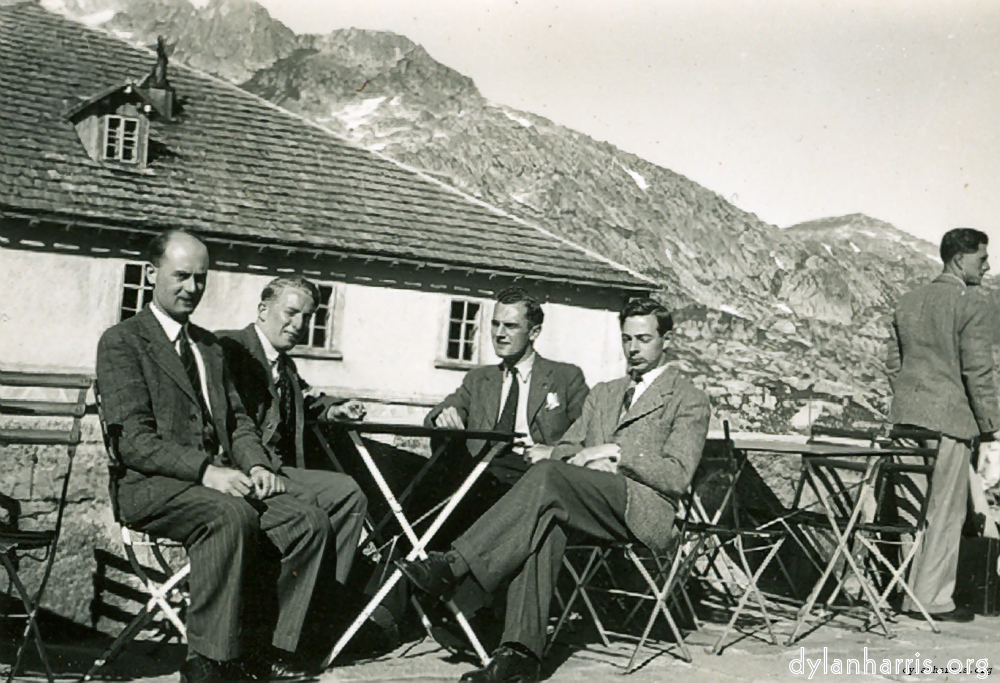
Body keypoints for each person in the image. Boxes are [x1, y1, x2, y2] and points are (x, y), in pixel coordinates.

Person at [96, 230, 367, 683]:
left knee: (307, 520)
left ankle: (266, 650)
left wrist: (257, 464)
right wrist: (206, 471)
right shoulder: (123, 341)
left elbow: (239, 422)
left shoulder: (208, 347)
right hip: (149, 485)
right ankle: (208, 661)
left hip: (212, 480)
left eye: (200, 279)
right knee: (230, 514)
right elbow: (133, 443)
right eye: (181, 276)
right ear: (151, 274)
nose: (191, 289)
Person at [398, 298, 711, 682]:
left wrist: (616, 452)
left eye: (644, 339)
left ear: (667, 339)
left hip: (643, 509)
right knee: (545, 522)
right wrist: (585, 459)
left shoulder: (688, 398)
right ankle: (519, 656)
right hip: (587, 501)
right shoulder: (605, 393)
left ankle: (453, 566)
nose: (633, 349)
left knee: (548, 477)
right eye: (627, 339)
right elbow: (565, 447)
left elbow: (677, 475)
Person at [886, 227, 1000, 623]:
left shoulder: (908, 301)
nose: (986, 266)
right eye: (981, 259)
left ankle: (905, 592)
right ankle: (931, 599)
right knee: (945, 512)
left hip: (905, 420)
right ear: (959, 259)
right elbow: (979, 372)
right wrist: (990, 428)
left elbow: (893, 366)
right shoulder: (972, 303)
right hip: (949, 421)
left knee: (908, 511)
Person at [424, 286, 589, 538]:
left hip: (530, 476)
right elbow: (441, 411)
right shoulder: (479, 379)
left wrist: (555, 452)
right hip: (479, 473)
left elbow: (587, 436)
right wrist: (444, 416)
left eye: (510, 326)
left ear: (534, 332)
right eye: (495, 324)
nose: (499, 334)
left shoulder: (565, 378)